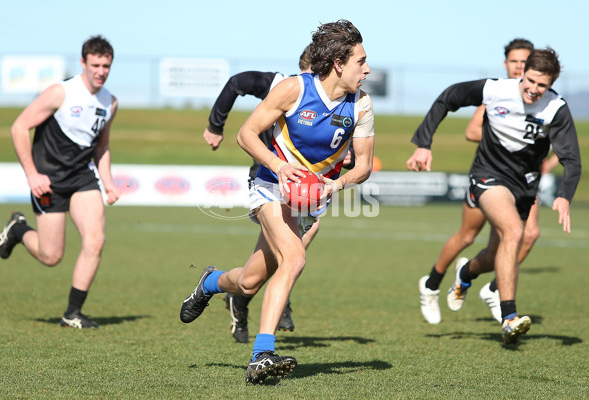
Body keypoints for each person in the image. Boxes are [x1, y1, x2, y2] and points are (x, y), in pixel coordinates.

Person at [180, 19, 375, 383]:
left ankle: (209, 282)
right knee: (295, 258)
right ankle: (261, 355)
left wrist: (337, 184)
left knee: (251, 282)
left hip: (310, 199)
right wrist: (278, 165)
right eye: (360, 61)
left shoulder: (361, 106)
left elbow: (363, 167)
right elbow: (246, 134)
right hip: (269, 185)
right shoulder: (292, 90)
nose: (367, 69)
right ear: (338, 64)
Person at [407, 48, 581, 344]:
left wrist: (565, 195)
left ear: (551, 83)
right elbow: (448, 97)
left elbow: (572, 159)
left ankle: (466, 274)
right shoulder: (495, 90)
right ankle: (509, 316)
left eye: (542, 85)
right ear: (522, 72)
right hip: (487, 176)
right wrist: (424, 142)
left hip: (524, 186)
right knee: (513, 231)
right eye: (530, 81)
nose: (534, 90)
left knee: (495, 253)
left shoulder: (556, 109)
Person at [0, 35, 120, 329]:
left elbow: (101, 146)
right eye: (95, 64)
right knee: (51, 256)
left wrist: (109, 182)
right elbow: (19, 127)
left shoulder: (111, 102)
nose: (101, 71)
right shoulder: (59, 93)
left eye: (106, 65)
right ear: (83, 63)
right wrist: (32, 175)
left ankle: (72, 313)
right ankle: (18, 229)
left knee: (96, 240)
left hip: (81, 179)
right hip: (47, 181)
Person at [201, 46, 314, 343]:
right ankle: (274, 321)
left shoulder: (330, 103)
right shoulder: (277, 85)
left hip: (302, 189)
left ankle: (233, 295)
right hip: (267, 181)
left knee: (251, 279)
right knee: (291, 250)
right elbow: (237, 82)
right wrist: (215, 125)